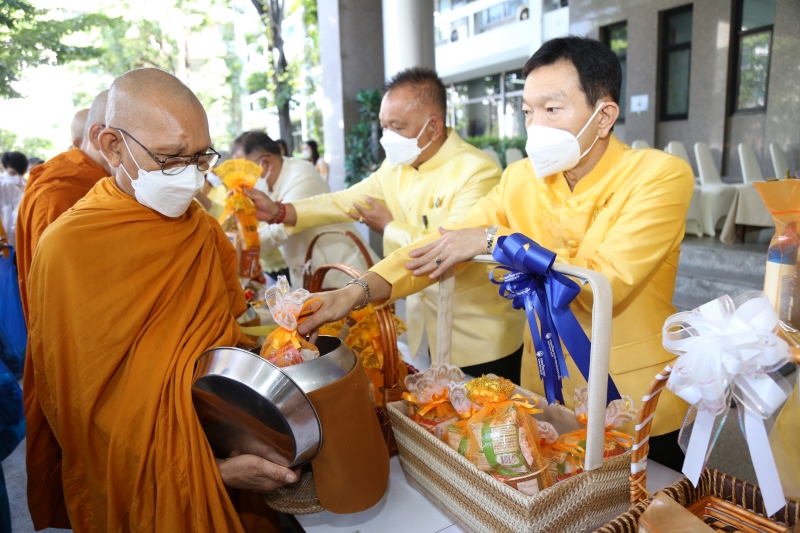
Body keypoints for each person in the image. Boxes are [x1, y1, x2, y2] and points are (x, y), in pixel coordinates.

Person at [279, 37, 694, 470]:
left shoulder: (658, 175)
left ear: (603, 115)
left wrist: (495, 240)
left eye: (552, 109)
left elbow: (603, 280)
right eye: (528, 112)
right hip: (546, 390)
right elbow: (443, 244)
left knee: (648, 500)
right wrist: (354, 293)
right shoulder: (521, 179)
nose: (536, 127)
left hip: (633, 399)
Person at [25, 68, 291, 532]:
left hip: (225, 439)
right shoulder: (68, 248)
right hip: (144, 484)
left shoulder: (203, 230)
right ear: (112, 147)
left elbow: (226, 344)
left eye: (201, 158)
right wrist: (209, 473)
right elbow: (82, 410)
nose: (191, 178)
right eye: (170, 159)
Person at [244, 67, 525, 381]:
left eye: (397, 126)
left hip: (477, 334)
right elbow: (344, 201)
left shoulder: (477, 170)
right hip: (424, 324)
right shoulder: (396, 165)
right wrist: (280, 212)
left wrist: (390, 229)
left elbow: (449, 248)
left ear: (433, 127)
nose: (386, 136)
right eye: (384, 126)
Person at [235, 130, 377, 287]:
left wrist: (236, 243)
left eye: (245, 170)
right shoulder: (270, 184)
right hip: (310, 272)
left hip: (341, 269)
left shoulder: (300, 175)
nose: (243, 178)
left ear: (266, 164)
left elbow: (279, 230)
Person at [0, 152, 27, 248]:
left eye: (21, 173)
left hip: (20, 242)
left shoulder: (28, 185)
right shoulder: (3, 185)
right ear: (3, 166)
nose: (17, 177)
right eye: (13, 173)